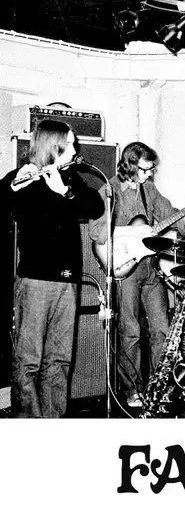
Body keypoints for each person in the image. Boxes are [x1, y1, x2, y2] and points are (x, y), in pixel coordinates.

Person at [88, 142, 185, 408]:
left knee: (162, 329)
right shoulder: (109, 190)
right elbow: (96, 232)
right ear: (129, 165)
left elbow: (171, 217)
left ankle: (158, 386)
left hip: (151, 267)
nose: (150, 174)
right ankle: (132, 390)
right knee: (130, 331)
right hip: (124, 269)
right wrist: (132, 232)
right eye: (145, 169)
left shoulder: (149, 190)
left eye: (152, 169)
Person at [0, 119, 104, 417]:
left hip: (67, 279)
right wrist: (13, 185)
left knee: (59, 359)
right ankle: (28, 423)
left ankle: (53, 421)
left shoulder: (70, 179)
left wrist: (65, 192)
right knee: (29, 359)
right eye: (69, 143)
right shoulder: (23, 178)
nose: (75, 148)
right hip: (35, 280)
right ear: (52, 145)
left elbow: (95, 206)